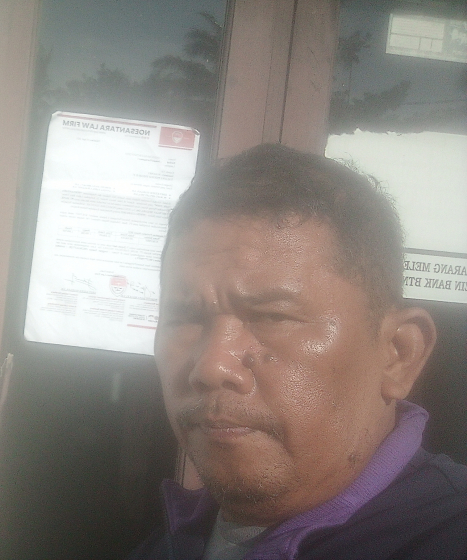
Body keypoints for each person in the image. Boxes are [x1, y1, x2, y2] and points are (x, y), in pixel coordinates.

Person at [129, 144, 467, 560]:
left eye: (272, 317)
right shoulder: (175, 536)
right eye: (184, 318)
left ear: (399, 353)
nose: (212, 366)